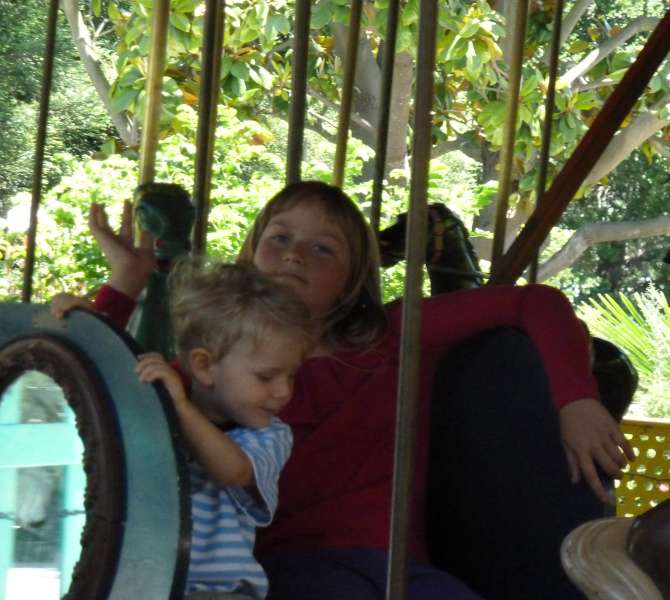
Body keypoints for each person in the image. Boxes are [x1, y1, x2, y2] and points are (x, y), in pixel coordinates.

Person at [80, 181, 634, 599]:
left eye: (323, 249)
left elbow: (534, 302)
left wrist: (575, 399)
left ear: (352, 278)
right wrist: (122, 286)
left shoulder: (393, 334)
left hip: (390, 566)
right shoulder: (215, 366)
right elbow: (103, 393)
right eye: (279, 239)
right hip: (276, 570)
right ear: (252, 252)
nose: (294, 255)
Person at [53, 261, 314, 600]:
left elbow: (232, 471)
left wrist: (181, 408)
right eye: (266, 377)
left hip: (214, 592)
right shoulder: (155, 408)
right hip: (143, 584)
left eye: (290, 376)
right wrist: (83, 325)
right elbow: (102, 393)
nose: (283, 391)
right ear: (204, 366)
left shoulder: (269, 435)